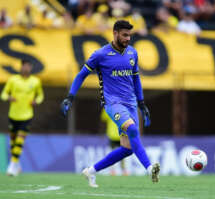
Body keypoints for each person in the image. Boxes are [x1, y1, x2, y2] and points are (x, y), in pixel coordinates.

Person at [61, 20, 160, 188]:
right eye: (124, 35)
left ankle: (90, 171)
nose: (128, 38)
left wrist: (142, 104)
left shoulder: (132, 53)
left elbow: (136, 79)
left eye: (129, 35)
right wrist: (70, 96)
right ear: (115, 33)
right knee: (133, 129)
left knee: (128, 148)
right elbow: (81, 75)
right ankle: (150, 168)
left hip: (130, 103)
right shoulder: (101, 54)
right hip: (112, 103)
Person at [1, 59, 44, 176]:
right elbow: (4, 94)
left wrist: (36, 101)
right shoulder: (12, 80)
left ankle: (12, 165)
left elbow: (40, 95)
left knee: (20, 139)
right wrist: (8, 98)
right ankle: (17, 164)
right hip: (13, 115)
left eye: (28, 66)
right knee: (13, 141)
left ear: (30, 68)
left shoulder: (35, 81)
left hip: (27, 115)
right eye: (24, 66)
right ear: (21, 67)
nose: (26, 68)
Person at [101, 109, 128, 176]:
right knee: (122, 153)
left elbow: (103, 120)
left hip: (113, 134)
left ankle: (113, 170)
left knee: (113, 152)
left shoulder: (107, 108)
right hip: (120, 134)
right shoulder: (122, 107)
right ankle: (123, 170)